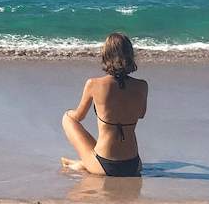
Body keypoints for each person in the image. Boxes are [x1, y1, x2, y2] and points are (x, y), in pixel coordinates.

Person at [61, 32, 148, 177]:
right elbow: (141, 114)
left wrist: (69, 112)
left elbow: (78, 116)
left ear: (106, 56)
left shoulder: (94, 84)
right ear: (130, 55)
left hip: (105, 165)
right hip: (134, 165)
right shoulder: (142, 86)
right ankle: (82, 164)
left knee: (67, 119)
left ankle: (83, 164)